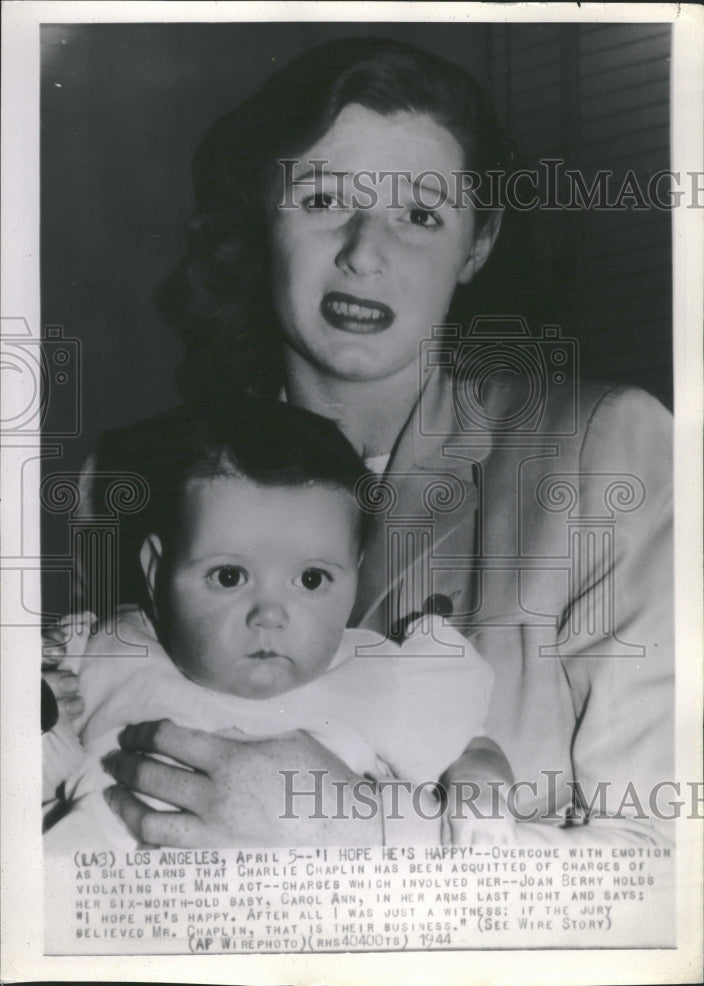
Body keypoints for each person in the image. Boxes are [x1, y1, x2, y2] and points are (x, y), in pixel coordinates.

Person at [44, 37, 673, 847]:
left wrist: (359, 834)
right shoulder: (130, 478)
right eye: (321, 200)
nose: (365, 254)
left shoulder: (605, 451)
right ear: (257, 217)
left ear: (476, 245)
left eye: (420, 214)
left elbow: (662, 877)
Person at [44, 400, 504, 849]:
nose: (269, 614)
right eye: (229, 577)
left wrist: (479, 787)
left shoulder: (381, 677)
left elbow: (470, 746)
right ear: (156, 573)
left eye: (310, 579)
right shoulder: (102, 648)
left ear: (355, 575)